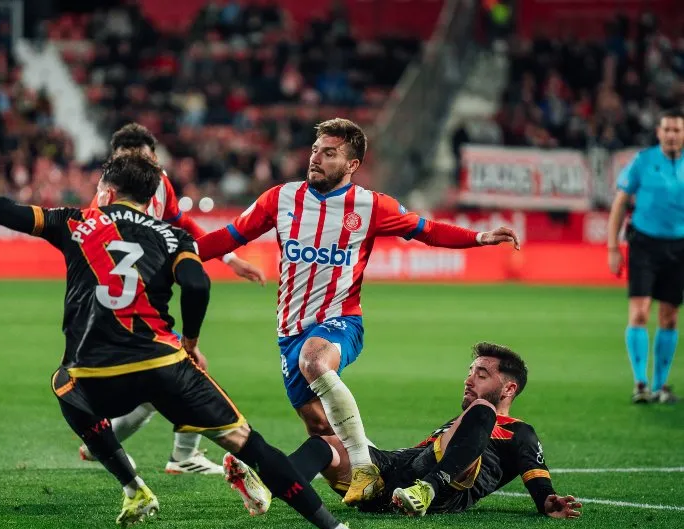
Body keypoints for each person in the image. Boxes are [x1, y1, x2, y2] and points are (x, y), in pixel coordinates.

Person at [0, 154, 378, 529]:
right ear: (152, 200)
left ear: (106, 191)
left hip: (95, 373)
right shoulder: (172, 237)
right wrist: (189, 342)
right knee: (252, 446)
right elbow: (197, 284)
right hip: (166, 365)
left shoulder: (76, 222)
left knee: (62, 383)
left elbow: (2, 210)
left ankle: (133, 487)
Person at [196, 117, 520, 505]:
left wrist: (480, 237)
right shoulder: (280, 198)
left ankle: (365, 466)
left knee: (315, 362)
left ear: (351, 165)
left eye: (329, 153)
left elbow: (427, 230)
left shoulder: (370, 206)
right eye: (315, 150)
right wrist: (177, 256)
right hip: (289, 332)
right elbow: (229, 236)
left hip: (340, 321)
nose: (316, 158)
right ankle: (353, 485)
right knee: (320, 428)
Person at [78, 123, 267, 475]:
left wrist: (230, 259)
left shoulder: (159, 182)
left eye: (147, 160)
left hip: (145, 294)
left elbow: (184, 225)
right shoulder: (107, 197)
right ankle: (166, 453)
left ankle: (119, 446)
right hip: (121, 303)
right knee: (175, 372)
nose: (143, 170)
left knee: (162, 382)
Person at [224, 342, 583, 520]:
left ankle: (427, 489)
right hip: (398, 474)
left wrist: (547, 500)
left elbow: (539, 483)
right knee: (327, 443)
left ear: (509, 389)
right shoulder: (462, 421)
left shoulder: (518, 431)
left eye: (482, 374)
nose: (469, 378)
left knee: (481, 412)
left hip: (444, 489)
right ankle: (268, 489)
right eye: (471, 370)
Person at [608, 109, 684, 404]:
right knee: (639, 312)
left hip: (679, 248)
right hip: (644, 245)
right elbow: (619, 204)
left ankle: (661, 386)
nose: (672, 135)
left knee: (669, 317)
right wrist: (613, 248)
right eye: (667, 129)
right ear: (659, 133)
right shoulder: (642, 161)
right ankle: (640, 384)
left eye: (677, 130)